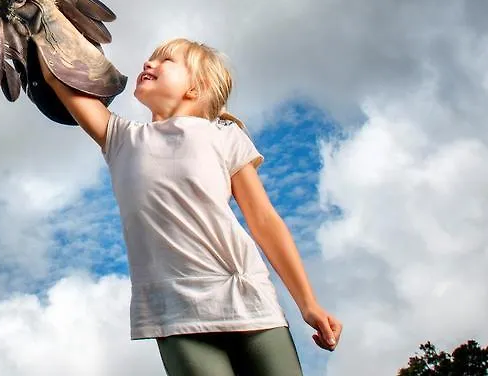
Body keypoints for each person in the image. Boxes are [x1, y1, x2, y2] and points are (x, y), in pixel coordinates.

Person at [36, 37, 342, 376]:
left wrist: (308, 303)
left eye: (165, 60)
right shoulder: (121, 138)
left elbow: (264, 220)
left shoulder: (225, 136)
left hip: (247, 297)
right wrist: (37, 21)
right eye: (150, 58)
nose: (148, 64)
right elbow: (56, 76)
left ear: (197, 87)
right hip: (175, 310)